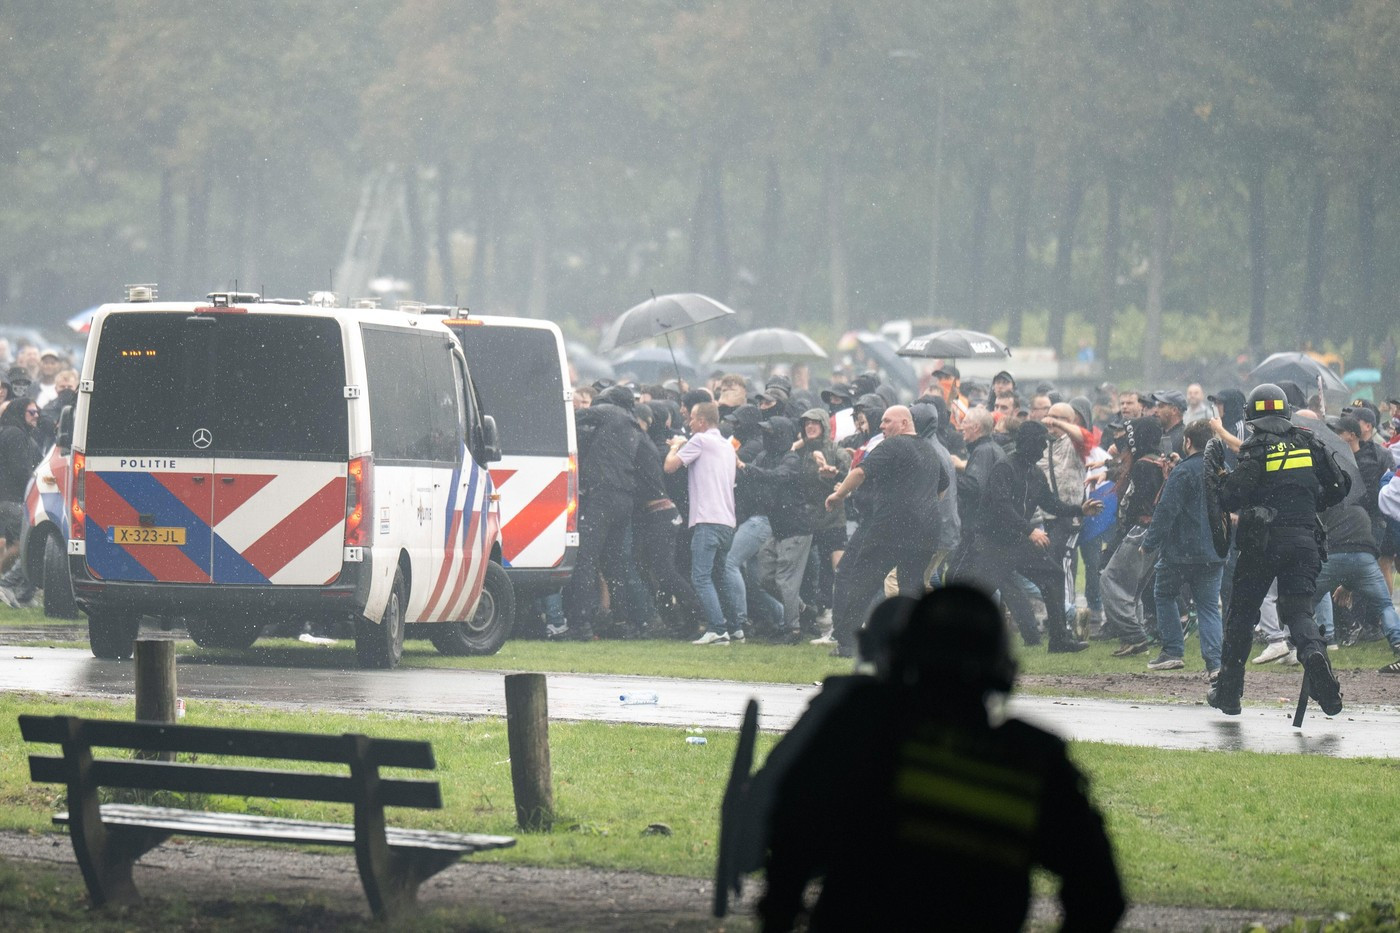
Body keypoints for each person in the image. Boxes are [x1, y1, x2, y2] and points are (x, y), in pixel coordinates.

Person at [759, 585, 1125, 933]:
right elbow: (1100, 892)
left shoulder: (864, 724)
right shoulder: (1030, 758)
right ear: (1003, 668)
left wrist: (780, 910)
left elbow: (793, 823)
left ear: (902, 653)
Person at [1209, 384, 1350, 716]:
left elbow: (1233, 497)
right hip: (1304, 541)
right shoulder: (1310, 442)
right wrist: (1311, 502)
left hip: (1261, 544)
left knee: (1242, 616)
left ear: (1252, 417)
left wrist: (1220, 481)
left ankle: (1229, 693)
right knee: (1299, 612)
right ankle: (1317, 662)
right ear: (1286, 412)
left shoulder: (1256, 448)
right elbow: (1340, 485)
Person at [824, 405, 943, 658]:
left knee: (861, 581)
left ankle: (847, 643)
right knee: (912, 586)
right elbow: (942, 487)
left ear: (903, 423)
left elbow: (860, 472)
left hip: (891, 527)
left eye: (887, 421)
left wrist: (838, 494)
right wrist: (923, 506)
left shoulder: (892, 446)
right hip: (926, 530)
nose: (881, 426)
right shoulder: (929, 450)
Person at [1140, 420, 1225, 675]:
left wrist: (1149, 543)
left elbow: (1166, 511)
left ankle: (1172, 651)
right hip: (1213, 551)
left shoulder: (1183, 471)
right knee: (1208, 606)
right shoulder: (1221, 468)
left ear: (1187, 442)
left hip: (1180, 552)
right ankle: (1215, 664)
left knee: (1164, 594)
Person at [665, 401, 746, 645]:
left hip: (706, 521)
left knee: (700, 577)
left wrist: (676, 446)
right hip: (727, 522)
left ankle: (717, 629)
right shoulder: (727, 446)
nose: (689, 423)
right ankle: (735, 629)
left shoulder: (699, 441)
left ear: (702, 421)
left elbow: (670, 467)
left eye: (692, 418)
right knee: (719, 577)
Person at [0, 399, 43, 607]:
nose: (36, 416)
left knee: (22, 544)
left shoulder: (16, 432)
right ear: (19, 412)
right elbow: (19, 470)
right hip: (13, 498)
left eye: (37, 412)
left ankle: (24, 593)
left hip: (12, 497)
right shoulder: (14, 434)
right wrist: (38, 485)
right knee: (26, 545)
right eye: (31, 412)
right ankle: (6, 583)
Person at [1152, 389, 1187, 458]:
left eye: (1161, 406)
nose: (1155, 410)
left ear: (1174, 410)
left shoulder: (1184, 437)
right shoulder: (1158, 434)